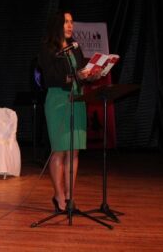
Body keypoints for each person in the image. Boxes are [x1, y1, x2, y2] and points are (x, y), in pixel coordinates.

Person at [38, 11, 100, 213]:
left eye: (72, 22)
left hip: (77, 100)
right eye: (66, 22)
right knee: (60, 150)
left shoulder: (75, 47)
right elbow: (50, 78)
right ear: (57, 24)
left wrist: (91, 75)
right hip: (58, 101)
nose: (70, 25)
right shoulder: (48, 49)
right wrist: (75, 76)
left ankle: (71, 198)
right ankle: (59, 197)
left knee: (73, 151)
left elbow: (80, 73)